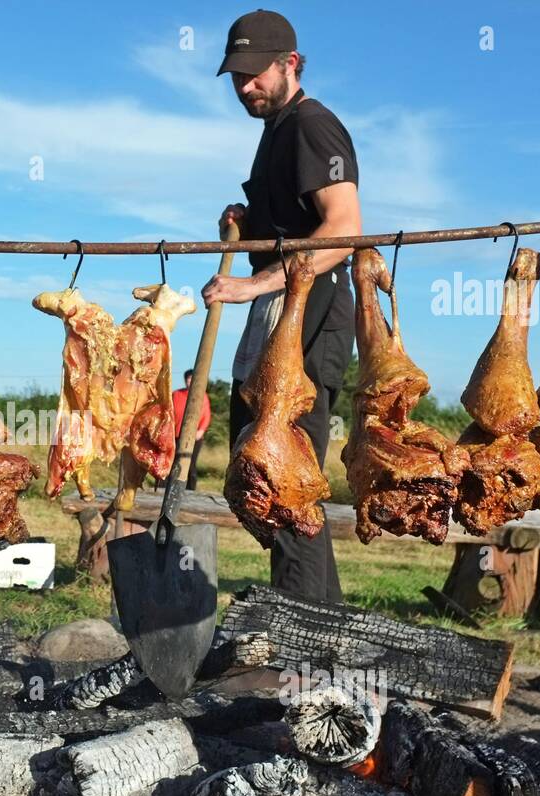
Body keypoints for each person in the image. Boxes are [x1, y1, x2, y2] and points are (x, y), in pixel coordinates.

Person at [202, 9, 361, 603]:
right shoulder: (276, 130)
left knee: (284, 481)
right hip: (278, 312)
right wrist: (245, 230)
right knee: (265, 480)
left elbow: (343, 230)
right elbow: (294, 227)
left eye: (254, 75)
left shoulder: (312, 127)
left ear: (290, 64)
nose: (244, 87)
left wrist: (251, 284)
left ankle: (307, 641)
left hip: (310, 313)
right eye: (235, 77)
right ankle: (323, 626)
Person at [172, 369, 211, 490]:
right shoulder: (176, 394)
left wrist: (201, 430)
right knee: (172, 462)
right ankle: (167, 488)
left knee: (190, 464)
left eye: (192, 379)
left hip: (194, 437)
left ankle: (190, 490)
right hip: (175, 435)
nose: (190, 381)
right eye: (188, 379)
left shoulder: (202, 396)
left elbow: (206, 415)